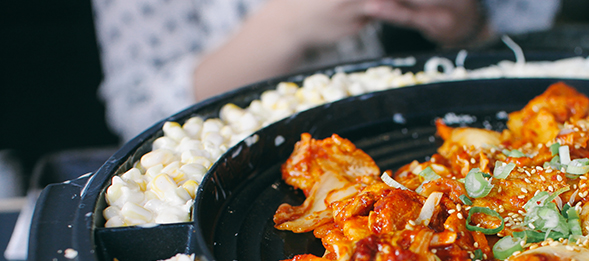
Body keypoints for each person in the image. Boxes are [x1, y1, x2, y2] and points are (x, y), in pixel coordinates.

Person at [92, 0, 561, 141]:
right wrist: (285, 27)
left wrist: (467, 23)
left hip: (403, 139)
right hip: (223, 174)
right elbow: (138, 110)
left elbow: (541, 51)